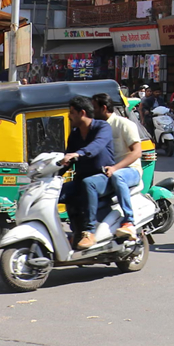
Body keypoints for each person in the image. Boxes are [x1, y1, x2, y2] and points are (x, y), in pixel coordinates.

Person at [60, 96, 116, 250]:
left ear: (82, 113)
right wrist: (53, 175)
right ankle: (74, 230)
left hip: (103, 177)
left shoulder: (102, 127)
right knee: (58, 192)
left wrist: (80, 153)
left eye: (71, 113)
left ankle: (89, 232)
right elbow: (68, 159)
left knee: (88, 183)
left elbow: (97, 146)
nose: (69, 116)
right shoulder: (75, 134)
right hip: (81, 178)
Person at [92, 93, 142, 241]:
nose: (92, 111)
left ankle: (129, 220)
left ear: (104, 108)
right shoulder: (96, 127)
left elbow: (137, 152)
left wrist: (116, 168)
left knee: (117, 176)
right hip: (107, 173)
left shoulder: (124, 124)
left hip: (130, 171)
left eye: (94, 108)